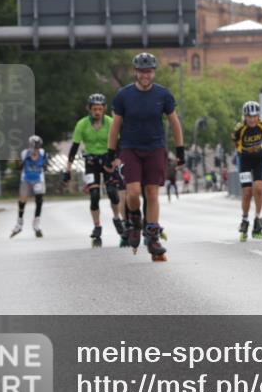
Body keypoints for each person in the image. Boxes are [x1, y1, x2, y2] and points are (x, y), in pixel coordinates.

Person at [106, 52, 184, 261]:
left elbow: (174, 123)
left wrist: (180, 150)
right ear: (136, 72)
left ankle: (153, 236)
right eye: (141, 71)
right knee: (132, 192)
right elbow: (115, 127)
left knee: (152, 194)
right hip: (130, 148)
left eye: (148, 71)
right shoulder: (124, 95)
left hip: (155, 148)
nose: (145, 75)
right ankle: (134, 220)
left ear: (153, 72)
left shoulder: (163, 95)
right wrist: (110, 153)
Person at [65, 94, 126, 248]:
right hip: (91, 162)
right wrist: (68, 169)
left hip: (108, 160)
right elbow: (74, 147)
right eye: (94, 109)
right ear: (89, 109)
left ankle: (117, 218)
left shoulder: (111, 122)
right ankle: (97, 226)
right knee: (94, 196)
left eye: (100, 109)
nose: (97, 112)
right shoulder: (82, 124)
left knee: (113, 192)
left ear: (104, 109)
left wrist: (117, 159)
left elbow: (120, 143)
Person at [231, 101, 262, 240]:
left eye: (255, 116)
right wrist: (242, 151)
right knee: (247, 192)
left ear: (258, 116)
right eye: (249, 116)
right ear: (245, 116)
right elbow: (235, 142)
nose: (252, 119)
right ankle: (245, 219)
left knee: (259, 189)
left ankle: (258, 218)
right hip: (244, 159)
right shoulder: (239, 129)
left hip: (259, 158)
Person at [12, 135, 47, 238]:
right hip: (26, 179)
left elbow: (45, 166)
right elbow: (18, 167)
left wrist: (41, 164)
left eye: (37, 147)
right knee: (22, 201)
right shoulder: (24, 153)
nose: (35, 149)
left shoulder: (43, 153)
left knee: (39, 199)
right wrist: (21, 161)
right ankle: (19, 223)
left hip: (38, 179)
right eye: (33, 147)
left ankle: (36, 223)